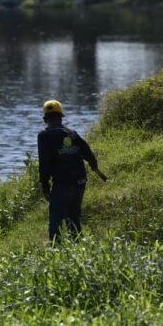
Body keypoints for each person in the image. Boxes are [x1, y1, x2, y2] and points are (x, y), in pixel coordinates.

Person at [37, 100, 107, 243]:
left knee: (56, 217)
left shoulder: (44, 136)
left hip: (63, 183)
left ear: (45, 119)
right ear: (61, 117)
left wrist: (45, 186)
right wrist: (93, 165)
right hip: (80, 181)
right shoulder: (72, 133)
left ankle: (56, 249)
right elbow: (87, 151)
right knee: (73, 217)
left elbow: (45, 163)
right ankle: (78, 245)